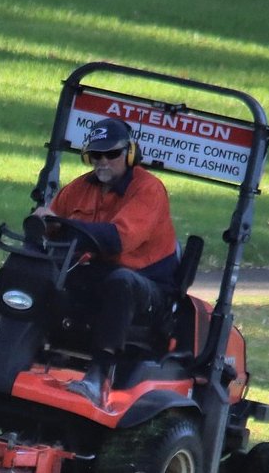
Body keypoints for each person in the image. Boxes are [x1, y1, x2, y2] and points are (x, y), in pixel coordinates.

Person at [32, 117, 179, 404]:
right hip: (96, 273)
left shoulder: (148, 190)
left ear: (130, 154)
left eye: (111, 154)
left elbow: (118, 240)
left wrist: (66, 225)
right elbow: (51, 225)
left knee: (120, 282)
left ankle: (97, 376)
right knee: (32, 266)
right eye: (95, 155)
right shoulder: (78, 188)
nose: (103, 162)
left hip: (146, 287)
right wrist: (43, 220)